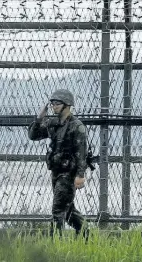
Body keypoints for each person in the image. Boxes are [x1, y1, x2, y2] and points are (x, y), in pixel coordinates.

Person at [28, 89, 89, 240]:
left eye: (57, 103)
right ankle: (87, 235)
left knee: (58, 210)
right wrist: (39, 118)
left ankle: (55, 244)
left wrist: (80, 175)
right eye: (52, 103)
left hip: (69, 173)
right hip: (56, 171)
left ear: (67, 105)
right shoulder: (53, 123)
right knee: (67, 211)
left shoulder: (76, 126)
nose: (54, 106)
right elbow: (33, 135)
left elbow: (82, 153)